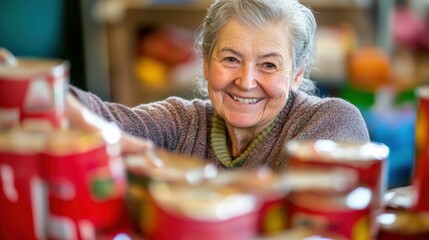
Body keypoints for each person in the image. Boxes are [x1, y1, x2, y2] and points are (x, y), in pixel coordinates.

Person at [68, 0, 370, 171]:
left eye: (268, 65)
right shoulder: (183, 123)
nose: (246, 81)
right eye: (230, 59)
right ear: (206, 64)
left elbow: (311, 202)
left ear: (296, 75)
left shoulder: (332, 120)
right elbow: (99, 115)